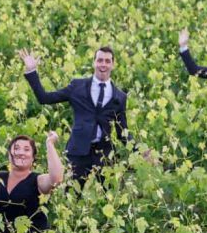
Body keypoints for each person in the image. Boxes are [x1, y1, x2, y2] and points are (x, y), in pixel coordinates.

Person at [18, 46, 128, 185]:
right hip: (77, 152)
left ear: (113, 64)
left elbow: (122, 133)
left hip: (104, 155)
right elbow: (44, 98)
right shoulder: (77, 86)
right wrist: (31, 71)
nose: (103, 64)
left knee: (111, 200)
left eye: (107, 61)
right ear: (94, 62)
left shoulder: (120, 96)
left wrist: (141, 151)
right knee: (71, 196)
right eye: (100, 60)